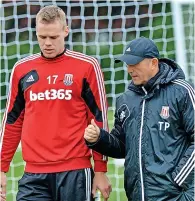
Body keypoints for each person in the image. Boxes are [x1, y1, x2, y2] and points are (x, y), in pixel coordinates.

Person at [0, 5, 111, 201]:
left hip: (75, 172)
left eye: (53, 37)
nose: (47, 43)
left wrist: (100, 170)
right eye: (42, 37)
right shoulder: (22, 70)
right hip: (33, 175)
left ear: (65, 31)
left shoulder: (87, 66)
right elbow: (12, 121)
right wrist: (1, 168)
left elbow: (99, 119)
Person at [84, 37, 194, 201]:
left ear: (153, 63)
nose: (129, 69)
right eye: (127, 64)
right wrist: (99, 138)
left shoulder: (182, 92)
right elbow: (122, 147)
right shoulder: (125, 100)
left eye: (134, 64)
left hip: (176, 195)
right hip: (137, 195)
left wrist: (177, 179)